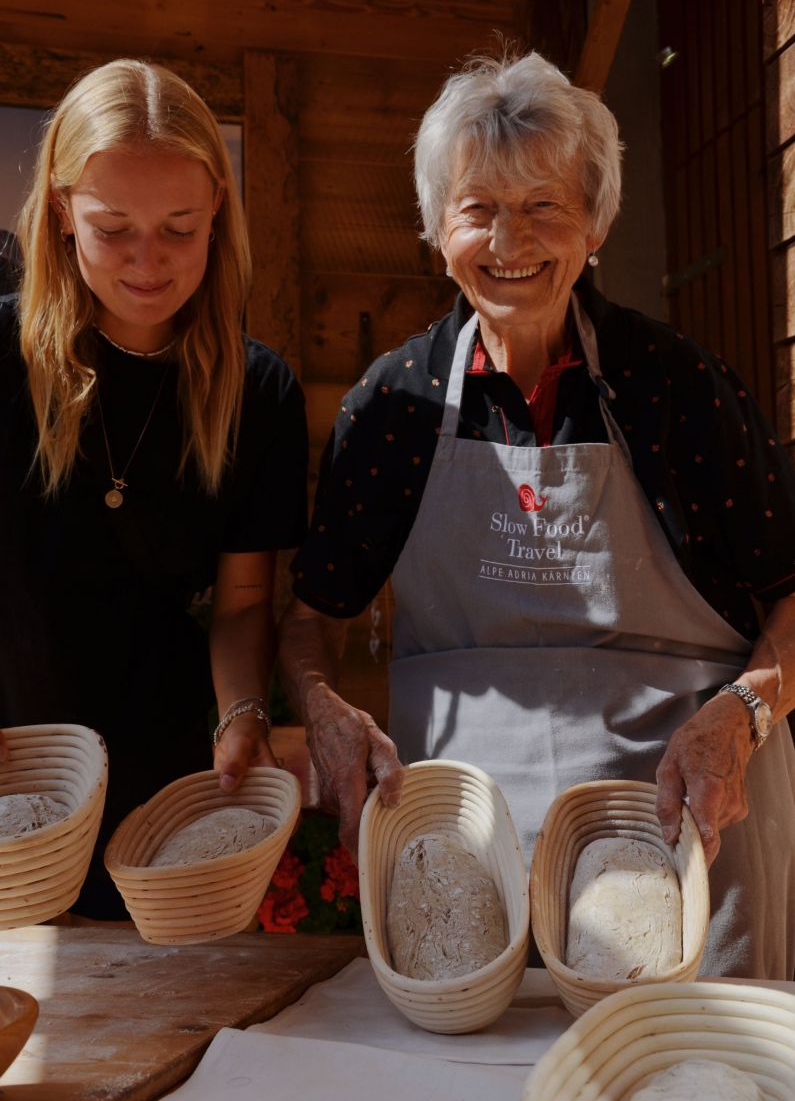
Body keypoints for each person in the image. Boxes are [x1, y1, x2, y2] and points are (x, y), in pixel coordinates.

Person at [279, 51, 795, 980]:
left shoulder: (676, 388)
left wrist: (742, 714)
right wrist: (322, 711)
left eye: (544, 206)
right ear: (438, 229)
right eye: (478, 207)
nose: (509, 238)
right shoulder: (390, 407)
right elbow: (311, 615)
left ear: (594, 223)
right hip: (464, 855)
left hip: (684, 830)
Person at [0, 60, 307, 918]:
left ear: (219, 211)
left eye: (179, 226)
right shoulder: (3, 359)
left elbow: (244, 604)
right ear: (62, 214)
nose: (148, 261)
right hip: (12, 758)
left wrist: (241, 710)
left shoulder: (259, 392)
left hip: (164, 784)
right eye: (112, 228)